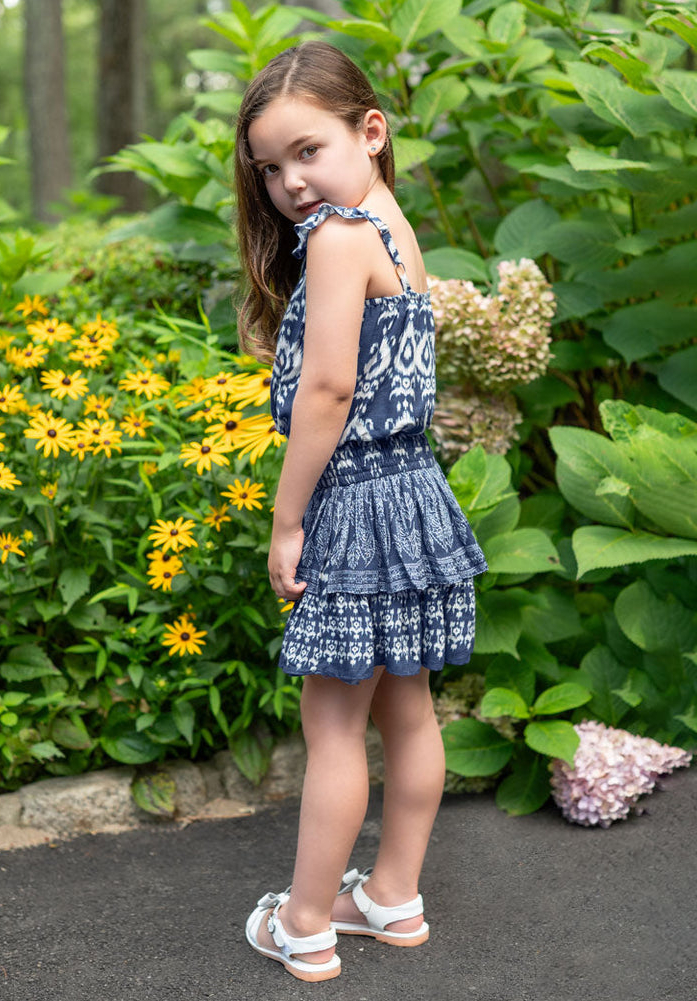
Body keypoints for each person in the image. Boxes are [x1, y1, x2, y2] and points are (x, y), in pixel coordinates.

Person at [234, 41, 488, 982]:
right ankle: (392, 896)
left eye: (306, 151)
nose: (288, 182)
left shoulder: (340, 240)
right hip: (414, 492)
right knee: (409, 707)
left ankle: (305, 919)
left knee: (334, 723)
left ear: (369, 131)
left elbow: (330, 392)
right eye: (268, 167)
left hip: (355, 498)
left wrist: (288, 518)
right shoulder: (390, 223)